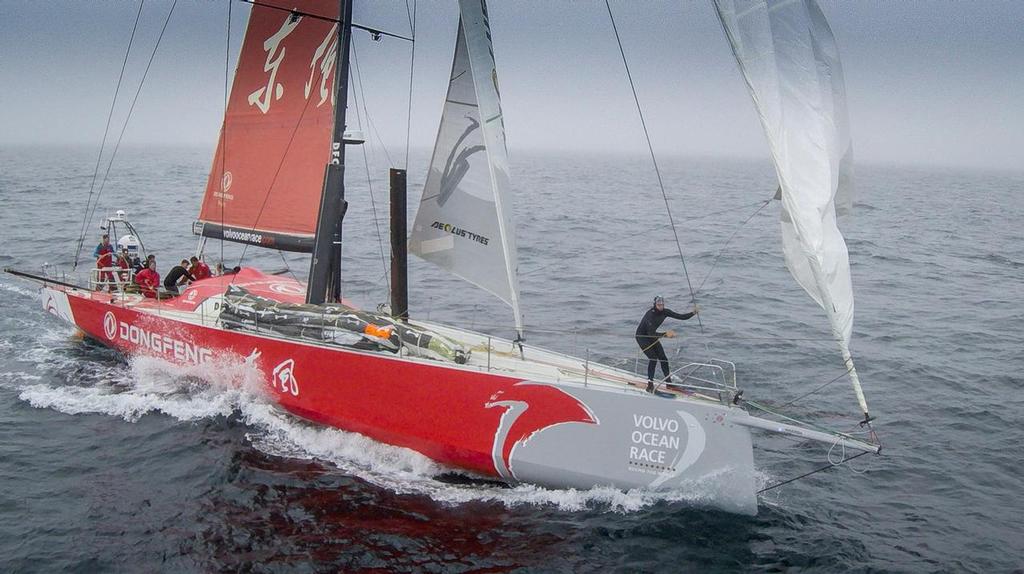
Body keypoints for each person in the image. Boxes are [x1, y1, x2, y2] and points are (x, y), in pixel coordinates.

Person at [635, 296, 698, 393]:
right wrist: (665, 334)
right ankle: (650, 385)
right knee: (653, 358)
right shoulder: (650, 315)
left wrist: (693, 313)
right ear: (655, 305)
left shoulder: (665, 311)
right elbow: (651, 334)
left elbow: (680, 316)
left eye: (662, 304)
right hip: (642, 337)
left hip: (651, 336)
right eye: (658, 304)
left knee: (663, 358)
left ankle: (669, 384)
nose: (660, 306)